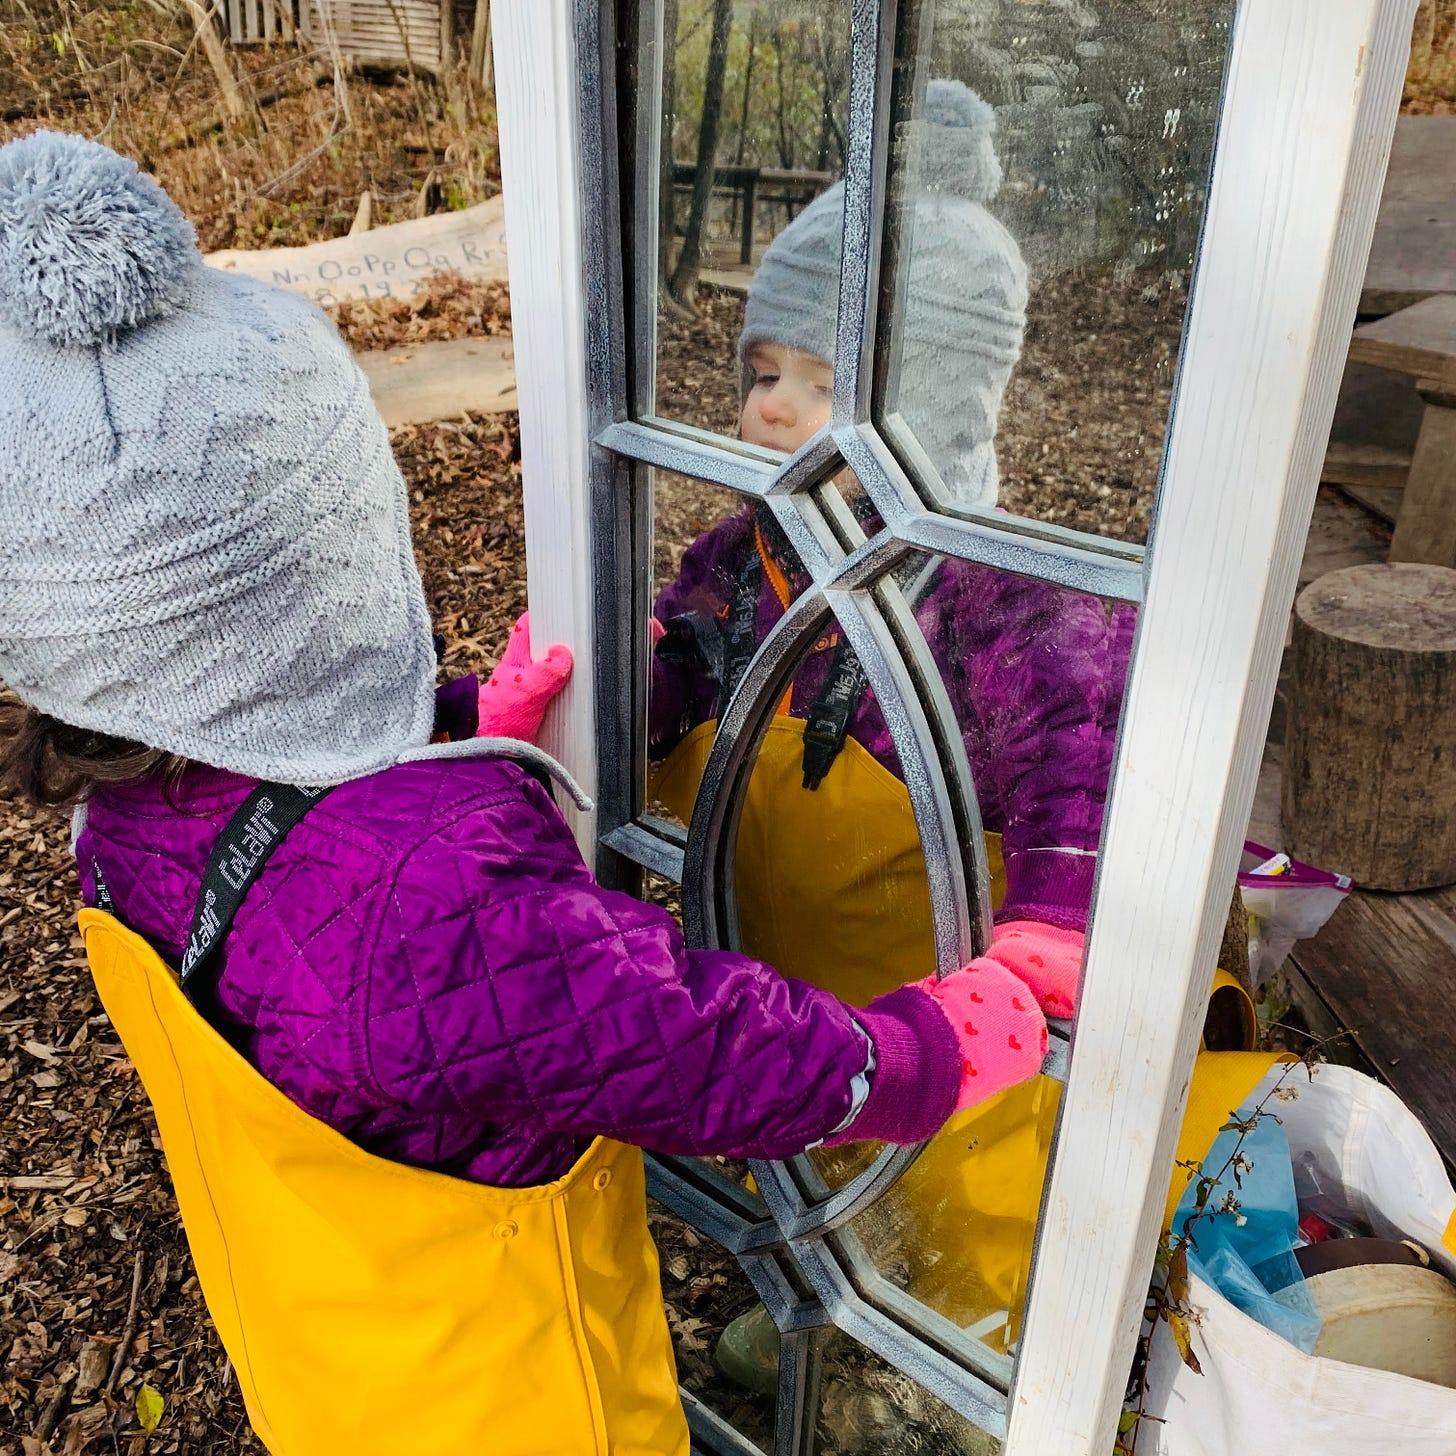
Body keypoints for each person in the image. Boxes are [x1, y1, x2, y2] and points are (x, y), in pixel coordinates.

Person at [0, 131, 1066, 1456]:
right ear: (333, 567)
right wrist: (919, 1056)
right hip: (525, 1408)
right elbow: (685, 1038)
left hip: (330, 1371)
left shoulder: (121, 822)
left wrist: (454, 733)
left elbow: (292, 859)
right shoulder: (437, 902)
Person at [646, 82, 1137, 1373]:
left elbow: (1079, 764)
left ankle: (973, 1349)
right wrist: (605, 713)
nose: (767, 409)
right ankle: (834, 1298)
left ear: (936, 414)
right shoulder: (743, 555)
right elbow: (676, 661)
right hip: (784, 963)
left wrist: (1051, 921)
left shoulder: (1001, 603)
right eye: (764, 374)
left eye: (819, 387)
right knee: (809, 1148)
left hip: (954, 988)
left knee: (967, 1186)